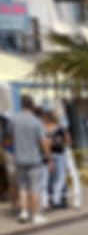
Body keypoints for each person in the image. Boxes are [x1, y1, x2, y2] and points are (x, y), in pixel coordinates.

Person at [3, 95, 51, 224]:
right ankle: (36, 215)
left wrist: (6, 145)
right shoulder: (36, 122)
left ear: (21, 105)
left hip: (19, 159)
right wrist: (48, 156)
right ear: (32, 106)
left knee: (23, 187)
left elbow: (9, 138)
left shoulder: (14, 120)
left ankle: (24, 212)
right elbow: (43, 141)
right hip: (34, 159)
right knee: (35, 187)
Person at [43, 111, 71, 208]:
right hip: (58, 154)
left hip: (46, 156)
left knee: (48, 179)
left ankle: (47, 201)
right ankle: (56, 199)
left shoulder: (42, 129)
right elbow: (68, 141)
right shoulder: (60, 128)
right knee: (59, 177)